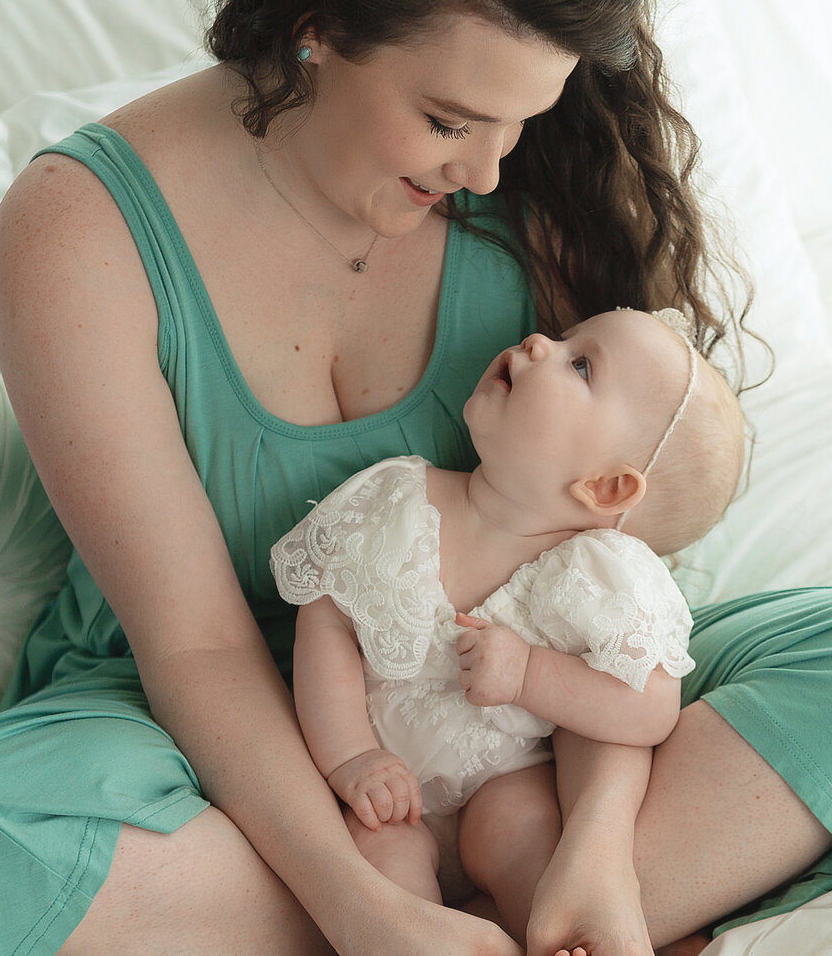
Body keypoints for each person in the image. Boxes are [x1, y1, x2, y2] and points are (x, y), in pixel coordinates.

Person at [0, 0, 832, 955]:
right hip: (200, 708)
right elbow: (198, 643)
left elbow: (603, 597)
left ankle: (558, 900)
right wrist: (357, 901)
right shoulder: (79, 230)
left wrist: (591, 841)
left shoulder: (532, 187)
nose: (484, 169)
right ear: (315, 27)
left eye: (518, 123)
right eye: (448, 121)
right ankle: (468, 922)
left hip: (518, 720)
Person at [280, 307, 742, 950]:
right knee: (385, 867)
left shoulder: (594, 571)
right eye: (563, 337)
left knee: (530, 849)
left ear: (606, 488)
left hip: (506, 777)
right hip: (383, 783)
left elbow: (647, 708)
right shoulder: (396, 499)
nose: (537, 342)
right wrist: (353, 757)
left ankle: (561, 940)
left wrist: (529, 672)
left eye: (580, 363)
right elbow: (324, 626)